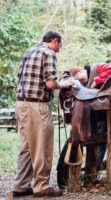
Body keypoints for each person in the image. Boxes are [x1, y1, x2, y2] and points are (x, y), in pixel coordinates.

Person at [12, 31, 74, 197]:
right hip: (37, 106)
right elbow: (51, 83)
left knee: (26, 147)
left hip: (21, 104)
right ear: (54, 41)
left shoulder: (28, 52)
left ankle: (21, 185)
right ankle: (42, 186)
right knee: (42, 146)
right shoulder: (48, 53)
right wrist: (65, 83)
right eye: (60, 45)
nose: (59, 50)